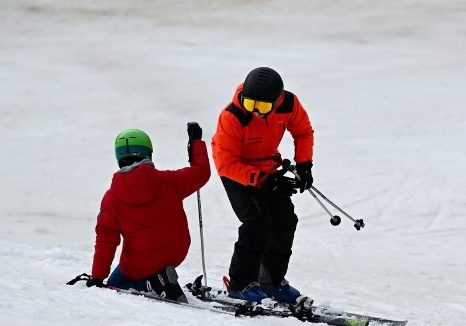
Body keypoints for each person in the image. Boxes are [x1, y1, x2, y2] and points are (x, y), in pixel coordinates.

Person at [211, 67, 315, 303]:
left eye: (264, 107)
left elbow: (303, 132)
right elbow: (226, 163)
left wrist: (304, 164)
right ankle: (240, 284)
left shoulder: (289, 104)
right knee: (256, 221)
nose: (256, 112)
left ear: (277, 100)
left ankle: (271, 281)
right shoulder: (232, 116)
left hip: (266, 168)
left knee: (285, 220)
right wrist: (263, 180)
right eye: (251, 104)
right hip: (235, 172)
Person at [86, 123, 210, 302]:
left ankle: (153, 283)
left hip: (141, 263)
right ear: (148, 154)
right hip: (176, 253)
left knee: (114, 284)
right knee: (140, 265)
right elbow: (201, 173)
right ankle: (161, 277)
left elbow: (106, 240)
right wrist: (196, 142)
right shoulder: (169, 181)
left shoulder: (111, 199)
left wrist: (97, 277)